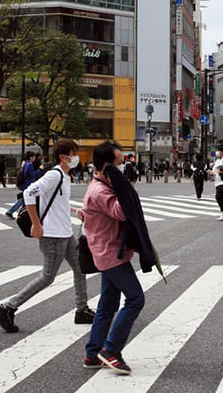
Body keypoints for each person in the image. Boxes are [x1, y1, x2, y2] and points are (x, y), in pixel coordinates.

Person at [0, 140, 94, 333]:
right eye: (74, 152)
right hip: (52, 235)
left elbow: (56, 202)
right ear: (64, 156)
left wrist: (74, 210)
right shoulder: (55, 175)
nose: (77, 156)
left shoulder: (64, 176)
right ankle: (7, 308)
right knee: (47, 277)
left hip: (64, 233)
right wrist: (36, 225)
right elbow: (29, 193)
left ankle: (82, 310)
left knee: (80, 268)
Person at [81, 141, 144, 375]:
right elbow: (122, 211)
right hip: (109, 254)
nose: (121, 167)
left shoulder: (102, 185)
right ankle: (111, 350)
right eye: (118, 164)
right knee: (136, 299)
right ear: (107, 165)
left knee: (107, 305)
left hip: (108, 250)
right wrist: (124, 184)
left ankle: (92, 353)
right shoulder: (101, 190)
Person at [5, 152, 38, 219]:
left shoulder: (25, 164)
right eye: (33, 157)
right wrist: (40, 170)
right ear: (31, 157)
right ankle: (10, 211)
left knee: (24, 199)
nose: (35, 158)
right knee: (24, 199)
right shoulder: (29, 165)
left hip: (24, 184)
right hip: (27, 184)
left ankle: (19, 213)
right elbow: (33, 175)